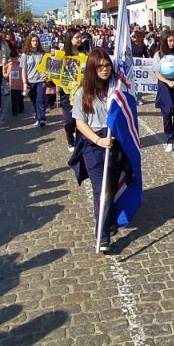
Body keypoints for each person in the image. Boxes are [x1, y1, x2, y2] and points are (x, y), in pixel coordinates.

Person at [72, 48, 120, 252]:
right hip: (93, 145)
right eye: (100, 66)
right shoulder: (83, 92)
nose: (105, 69)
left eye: (107, 65)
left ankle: (109, 218)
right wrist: (98, 141)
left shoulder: (116, 88)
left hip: (115, 142)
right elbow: (80, 123)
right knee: (101, 190)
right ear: (92, 68)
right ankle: (102, 234)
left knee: (113, 185)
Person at [59, 29, 87, 150]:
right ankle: (70, 139)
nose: (80, 39)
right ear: (70, 39)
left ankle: (81, 142)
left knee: (82, 119)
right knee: (70, 121)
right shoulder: (62, 55)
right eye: (77, 37)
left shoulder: (85, 54)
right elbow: (54, 75)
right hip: (67, 94)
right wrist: (48, 78)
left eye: (80, 37)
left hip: (83, 92)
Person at [20, 34, 47, 127]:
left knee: (40, 99)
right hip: (30, 81)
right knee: (34, 101)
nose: (35, 43)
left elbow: (46, 66)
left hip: (40, 80)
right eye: (33, 41)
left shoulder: (42, 53)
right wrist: (24, 83)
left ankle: (42, 119)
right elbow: (23, 69)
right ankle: (37, 117)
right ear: (29, 42)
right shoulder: (25, 55)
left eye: (36, 41)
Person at [3, 48, 25, 116]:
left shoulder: (21, 64)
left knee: (20, 98)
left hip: (21, 85)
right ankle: (14, 110)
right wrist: (5, 73)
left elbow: (25, 72)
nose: (14, 60)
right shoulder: (9, 65)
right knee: (14, 99)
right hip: (13, 86)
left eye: (15, 58)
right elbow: (5, 73)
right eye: (12, 58)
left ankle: (21, 107)